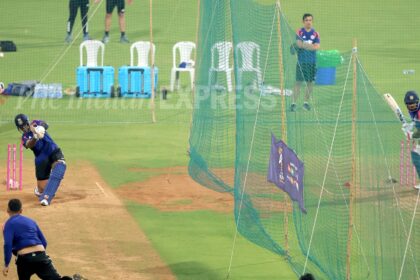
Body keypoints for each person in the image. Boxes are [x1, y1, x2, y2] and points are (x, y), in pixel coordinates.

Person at [2, 199, 86, 279]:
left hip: (24, 259)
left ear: (8, 210)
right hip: (40, 256)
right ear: (21, 210)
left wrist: (6, 264)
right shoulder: (31, 221)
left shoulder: (8, 224)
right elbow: (44, 242)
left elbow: (8, 245)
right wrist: (39, 256)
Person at [14, 114, 67, 206]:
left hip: (52, 150)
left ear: (27, 122)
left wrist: (38, 129)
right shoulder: (24, 137)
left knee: (59, 167)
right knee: (43, 189)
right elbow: (29, 144)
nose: (24, 128)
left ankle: (47, 197)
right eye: (21, 127)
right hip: (41, 159)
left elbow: (46, 124)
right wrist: (35, 137)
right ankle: (40, 190)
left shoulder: (35, 123)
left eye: (25, 125)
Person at [290, 13, 320, 112]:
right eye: (306, 20)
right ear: (303, 22)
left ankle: (305, 103)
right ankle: (293, 103)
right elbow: (299, 44)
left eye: (310, 20)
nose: (308, 22)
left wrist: (305, 44)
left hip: (312, 62)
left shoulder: (315, 33)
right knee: (298, 82)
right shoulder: (300, 32)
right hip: (301, 62)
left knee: (310, 83)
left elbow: (317, 47)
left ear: (312, 21)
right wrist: (310, 46)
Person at [403, 90, 420, 189]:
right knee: (416, 156)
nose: (412, 107)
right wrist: (410, 125)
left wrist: (411, 135)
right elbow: (416, 122)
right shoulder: (413, 111)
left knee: (416, 156)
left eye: (414, 105)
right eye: (410, 105)